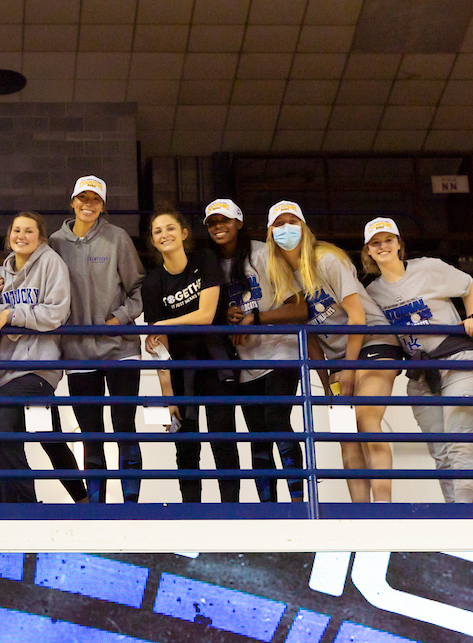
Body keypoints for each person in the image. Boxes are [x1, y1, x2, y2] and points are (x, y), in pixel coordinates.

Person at [264, 201, 402, 503]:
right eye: (279, 224)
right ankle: (360, 512)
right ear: (270, 233)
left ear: (304, 226)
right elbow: (308, 334)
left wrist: (349, 371)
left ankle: (384, 510)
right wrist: (327, 381)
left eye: (292, 221)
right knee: (346, 434)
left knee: (366, 419)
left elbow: (357, 316)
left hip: (373, 342)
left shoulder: (326, 260)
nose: (286, 228)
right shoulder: (284, 276)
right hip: (340, 358)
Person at [363, 217, 473, 504]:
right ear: (367, 250)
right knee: (440, 449)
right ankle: (456, 509)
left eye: (388, 240)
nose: (383, 246)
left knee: (461, 437)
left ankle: (464, 513)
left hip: (458, 357)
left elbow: (469, 286)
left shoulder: (427, 267)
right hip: (421, 372)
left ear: (399, 244)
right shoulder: (372, 292)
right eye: (375, 242)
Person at [47, 175, 146, 503]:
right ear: (72, 201)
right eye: (82, 198)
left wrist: (120, 318)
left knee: (123, 426)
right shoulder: (54, 243)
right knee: (91, 433)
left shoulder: (118, 238)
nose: (88, 204)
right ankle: (96, 506)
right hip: (77, 353)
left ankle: (130, 504)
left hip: (120, 349)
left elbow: (139, 289)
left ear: (103, 205)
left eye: (95, 200)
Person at [204, 199, 308, 503]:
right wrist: (228, 314)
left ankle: (300, 502)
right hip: (245, 361)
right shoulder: (211, 265)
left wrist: (257, 318)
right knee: (257, 436)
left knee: (276, 419)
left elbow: (300, 309)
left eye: (224, 220)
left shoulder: (263, 254)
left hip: (280, 354)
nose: (218, 227)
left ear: (238, 222)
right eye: (211, 223)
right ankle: (269, 509)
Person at [141, 206, 239, 503]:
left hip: (216, 361)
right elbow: (159, 345)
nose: (164, 234)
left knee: (223, 439)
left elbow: (207, 314)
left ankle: (232, 511)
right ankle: (191, 513)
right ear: (153, 242)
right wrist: (168, 397)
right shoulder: (153, 282)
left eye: (170, 228)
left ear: (184, 234)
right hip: (182, 371)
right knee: (186, 446)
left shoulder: (205, 260)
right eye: (158, 231)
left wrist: (161, 325)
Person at [0, 212, 72, 504]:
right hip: (1, 371)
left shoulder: (51, 264)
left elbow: (56, 313)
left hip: (36, 368)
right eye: (16, 230)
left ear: (41, 237)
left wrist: (12, 315)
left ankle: (25, 507)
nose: (21, 235)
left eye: (29, 231)